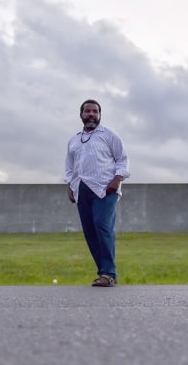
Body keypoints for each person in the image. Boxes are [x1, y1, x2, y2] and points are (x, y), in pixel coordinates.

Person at [65, 99, 130, 287]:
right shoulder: (74, 140)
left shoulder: (109, 136)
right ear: (81, 115)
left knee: (102, 225)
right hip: (82, 189)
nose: (91, 114)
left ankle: (109, 273)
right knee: (90, 231)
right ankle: (105, 273)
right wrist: (70, 186)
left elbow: (123, 160)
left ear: (100, 115)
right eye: (88, 111)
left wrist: (116, 180)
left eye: (95, 111)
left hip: (105, 188)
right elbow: (69, 167)